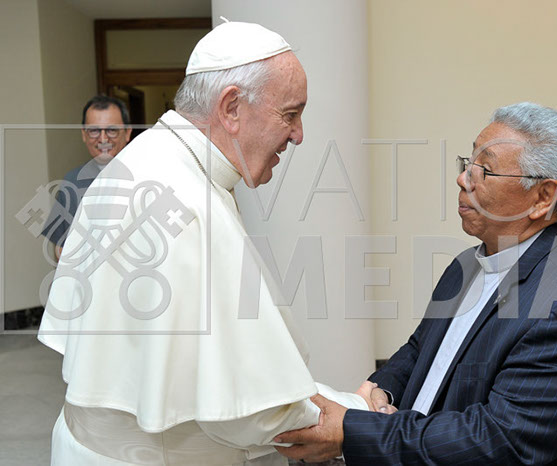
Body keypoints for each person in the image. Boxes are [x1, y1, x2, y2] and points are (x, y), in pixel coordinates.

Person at [38, 21, 373, 465]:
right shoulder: (184, 198)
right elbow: (251, 414)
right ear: (231, 107)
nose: (298, 134)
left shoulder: (149, 158)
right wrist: (357, 413)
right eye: (290, 114)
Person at [276, 103, 557, 465]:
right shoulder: (468, 265)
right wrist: (383, 389)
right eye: (468, 163)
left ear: (542, 197)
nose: (463, 179)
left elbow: (498, 442)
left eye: (484, 169)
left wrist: (352, 432)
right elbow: (421, 350)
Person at [41, 95, 132, 260]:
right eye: (94, 131)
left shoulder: (147, 177)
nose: (103, 139)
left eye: (112, 130)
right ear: (84, 134)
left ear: (127, 133)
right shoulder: (72, 182)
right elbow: (60, 250)